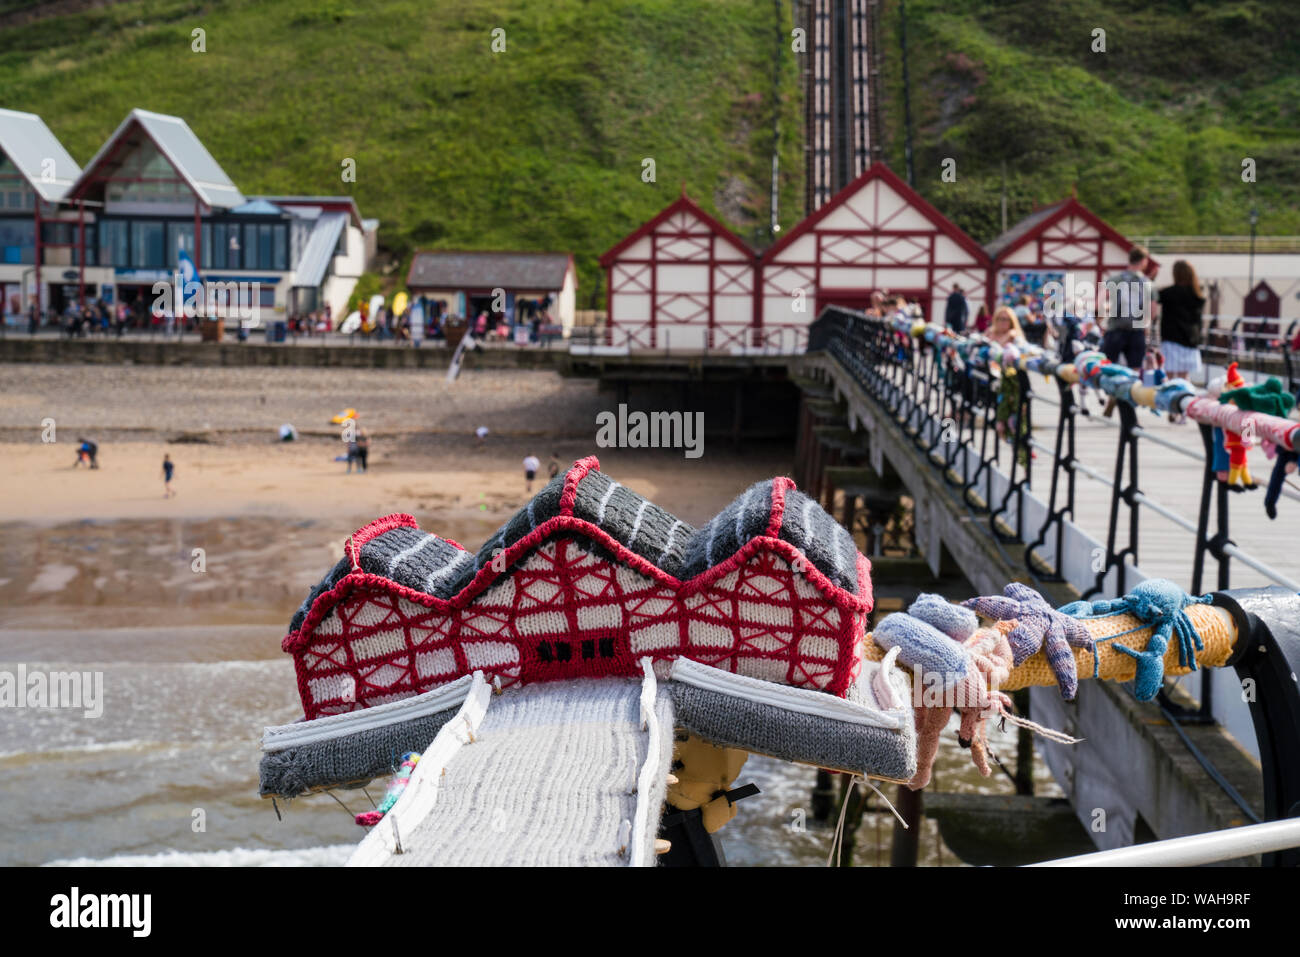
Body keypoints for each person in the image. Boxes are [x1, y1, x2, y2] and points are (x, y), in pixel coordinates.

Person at [1100, 246, 1153, 369]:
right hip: (1137, 331)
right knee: (1135, 370)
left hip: (1115, 329)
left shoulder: (1115, 279)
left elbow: (1099, 303)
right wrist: (1146, 326)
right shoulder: (1146, 283)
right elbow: (1152, 309)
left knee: (1108, 367)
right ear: (1144, 261)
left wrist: (1100, 321)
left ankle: (1110, 388)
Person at [1157, 259, 1206, 381]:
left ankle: (1168, 399)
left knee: (1168, 377)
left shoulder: (1167, 293)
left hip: (1171, 339)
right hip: (1190, 339)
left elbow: (1152, 297)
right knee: (1184, 377)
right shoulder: (1198, 295)